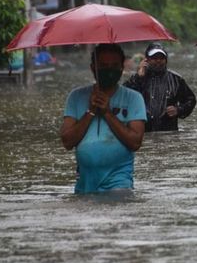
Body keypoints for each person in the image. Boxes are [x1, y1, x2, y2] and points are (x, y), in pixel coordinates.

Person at [60, 44, 146, 194]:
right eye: (104, 66)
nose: (109, 70)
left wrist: (107, 113)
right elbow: (67, 141)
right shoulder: (76, 97)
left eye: (114, 65)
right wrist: (91, 111)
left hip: (119, 182)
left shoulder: (134, 98)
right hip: (85, 184)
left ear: (122, 67)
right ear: (93, 68)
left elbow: (135, 142)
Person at [124, 42, 196, 132]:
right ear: (146, 60)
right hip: (142, 132)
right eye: (154, 58)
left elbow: (190, 100)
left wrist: (179, 110)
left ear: (166, 60)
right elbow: (123, 96)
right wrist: (138, 77)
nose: (158, 61)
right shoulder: (138, 78)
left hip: (168, 133)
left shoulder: (176, 79)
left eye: (161, 58)